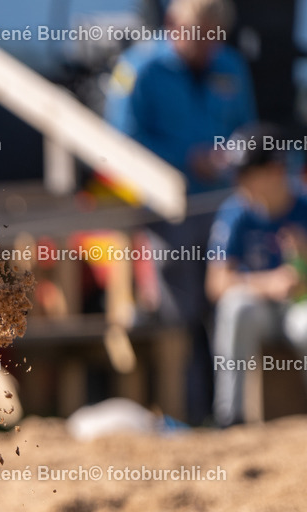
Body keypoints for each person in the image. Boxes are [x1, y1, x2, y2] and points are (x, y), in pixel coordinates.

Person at [104, 0, 256, 425]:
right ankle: (184, 416)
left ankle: (231, 414)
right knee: (179, 318)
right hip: (167, 214)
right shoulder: (139, 69)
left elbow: (247, 128)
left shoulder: (230, 65)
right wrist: (187, 159)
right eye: (199, 36)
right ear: (173, 25)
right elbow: (120, 141)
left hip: (225, 206)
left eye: (214, 38)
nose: (207, 47)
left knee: (229, 308)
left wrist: (231, 156)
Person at [207, 124, 307, 427]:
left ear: (275, 171)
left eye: (246, 174)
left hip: (298, 308)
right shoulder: (235, 211)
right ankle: (230, 419)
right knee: (236, 306)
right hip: (259, 310)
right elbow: (216, 284)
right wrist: (270, 283)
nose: (239, 183)